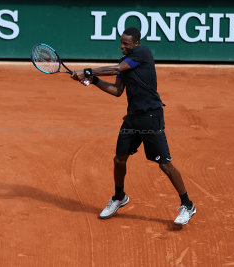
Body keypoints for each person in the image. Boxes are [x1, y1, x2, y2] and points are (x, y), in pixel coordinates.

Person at [71, 27, 196, 225]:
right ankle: (119, 197)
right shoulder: (124, 62)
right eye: (121, 43)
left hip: (151, 117)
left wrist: (87, 71)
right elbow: (117, 90)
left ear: (136, 43)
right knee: (119, 159)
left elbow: (118, 69)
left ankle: (187, 205)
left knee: (165, 164)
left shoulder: (143, 53)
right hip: (132, 119)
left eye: (126, 44)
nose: (122, 47)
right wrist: (93, 80)